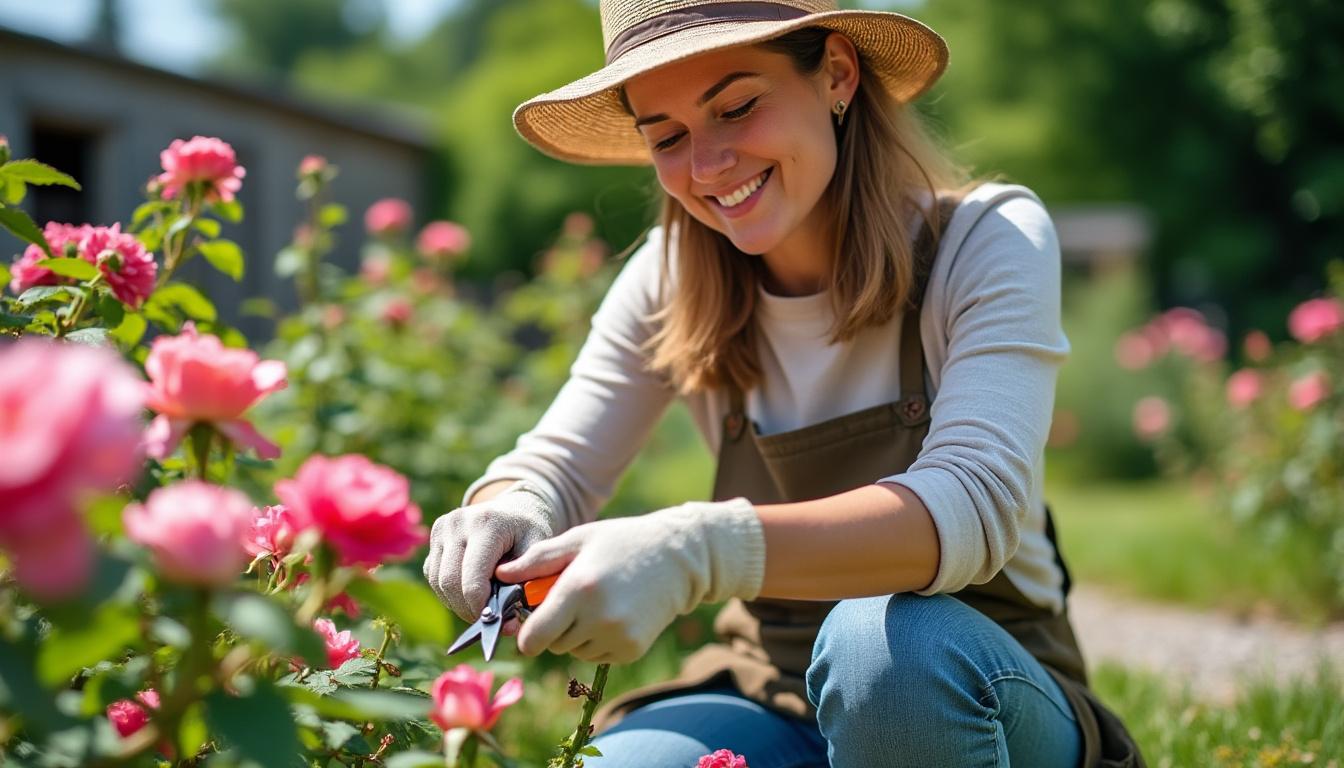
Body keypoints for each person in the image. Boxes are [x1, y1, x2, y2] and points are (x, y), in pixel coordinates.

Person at [422, 2, 1143, 766]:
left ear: (836, 74)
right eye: (666, 137)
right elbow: (556, 465)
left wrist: (697, 550)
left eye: (736, 107)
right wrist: (509, 511)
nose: (706, 167)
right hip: (763, 684)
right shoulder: (670, 280)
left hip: (968, 681)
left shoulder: (985, 239)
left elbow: (972, 508)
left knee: (881, 653)